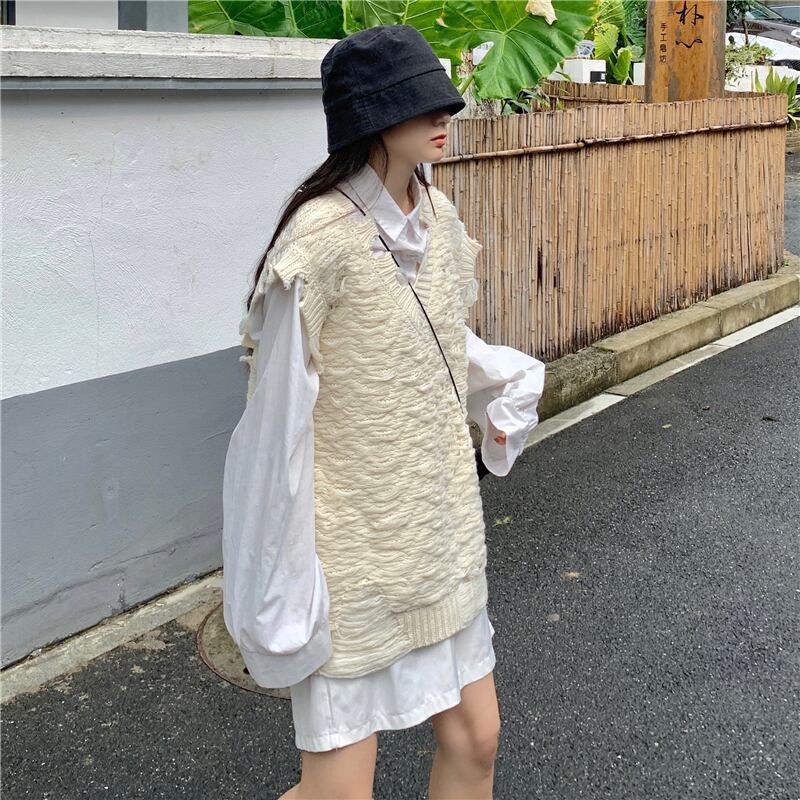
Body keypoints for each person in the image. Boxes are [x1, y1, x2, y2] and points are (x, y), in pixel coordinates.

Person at [222, 24, 545, 800]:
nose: (444, 116)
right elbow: (274, 433)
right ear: (368, 119)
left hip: (441, 544)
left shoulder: (438, 220)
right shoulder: (317, 245)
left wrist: (506, 390)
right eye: (419, 103)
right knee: (338, 791)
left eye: (444, 101)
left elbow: (441, 343)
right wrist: (281, 586)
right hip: (354, 563)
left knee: (476, 739)